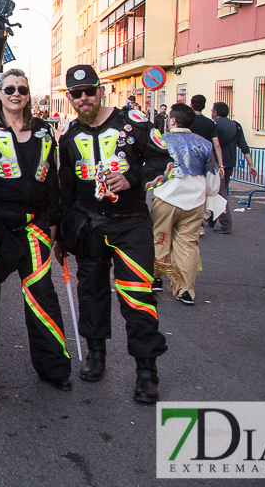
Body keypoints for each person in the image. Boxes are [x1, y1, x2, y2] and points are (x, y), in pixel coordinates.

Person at [56, 64, 170, 403]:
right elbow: (65, 189)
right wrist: (63, 236)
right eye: (77, 94)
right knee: (90, 293)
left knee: (137, 297)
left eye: (90, 90)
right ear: (70, 98)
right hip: (88, 226)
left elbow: (164, 163)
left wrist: (133, 177)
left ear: (100, 90)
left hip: (130, 224)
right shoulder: (70, 136)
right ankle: (96, 355)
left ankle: (146, 372)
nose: (84, 98)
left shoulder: (133, 124)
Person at [0, 69, 72, 390]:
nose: (16, 94)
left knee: (42, 295)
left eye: (22, 89)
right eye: (9, 88)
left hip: (34, 227)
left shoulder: (44, 133)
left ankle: (54, 367)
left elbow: (53, 182)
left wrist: (53, 222)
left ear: (28, 95)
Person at [150, 104, 221, 305]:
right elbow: (212, 176)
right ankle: (185, 290)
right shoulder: (205, 143)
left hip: (166, 196)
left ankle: (156, 278)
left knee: (160, 238)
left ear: (172, 120)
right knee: (188, 244)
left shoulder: (161, 141)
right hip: (195, 200)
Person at [211, 102, 258, 234]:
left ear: (215, 112)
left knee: (219, 193)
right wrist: (251, 165)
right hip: (230, 163)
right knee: (220, 190)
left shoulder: (213, 125)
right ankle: (211, 219)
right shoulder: (236, 126)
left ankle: (226, 224)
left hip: (216, 164)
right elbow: (244, 146)